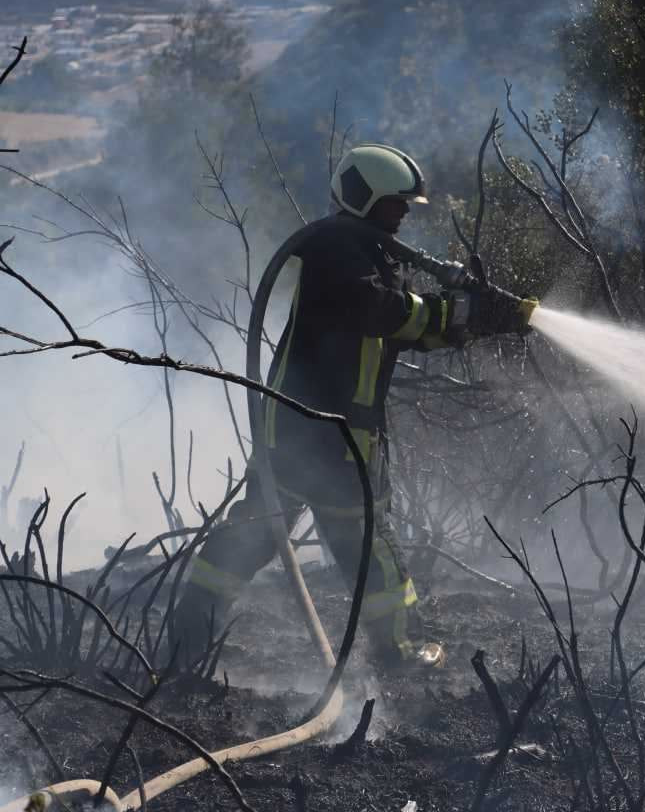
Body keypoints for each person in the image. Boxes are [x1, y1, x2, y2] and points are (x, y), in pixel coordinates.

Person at [170, 143, 536, 671]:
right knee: (367, 544)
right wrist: (454, 310)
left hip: (299, 429)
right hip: (331, 437)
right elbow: (380, 312)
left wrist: (472, 323)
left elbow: (398, 333)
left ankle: (187, 634)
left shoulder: (366, 256)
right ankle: (400, 651)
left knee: (257, 529)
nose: (406, 214)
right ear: (366, 201)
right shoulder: (337, 254)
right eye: (397, 204)